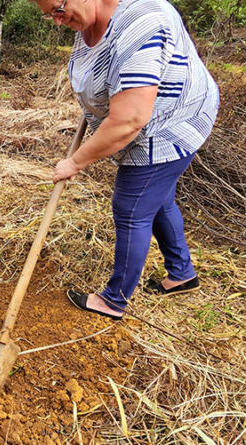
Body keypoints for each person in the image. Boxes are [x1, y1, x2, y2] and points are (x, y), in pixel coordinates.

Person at [33, 0, 219, 319]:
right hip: (146, 121)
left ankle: (113, 300)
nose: (56, 21)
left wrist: (75, 162)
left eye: (58, 9)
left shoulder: (140, 24)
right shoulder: (88, 19)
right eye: (49, 14)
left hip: (171, 125)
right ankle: (182, 274)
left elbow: (128, 120)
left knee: (131, 208)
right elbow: (108, 72)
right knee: (157, 200)